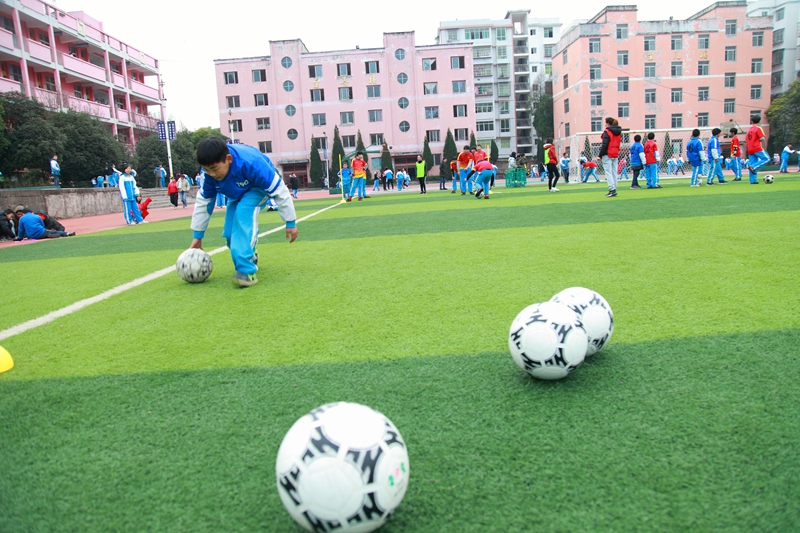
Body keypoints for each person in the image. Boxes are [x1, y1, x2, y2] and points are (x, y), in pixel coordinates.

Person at [189, 137, 297, 287]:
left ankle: (247, 272)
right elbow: (204, 203)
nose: (211, 174)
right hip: (236, 193)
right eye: (207, 170)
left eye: (214, 169)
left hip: (258, 188)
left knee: (243, 214)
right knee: (229, 233)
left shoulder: (251, 162)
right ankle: (251, 253)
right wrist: (198, 236)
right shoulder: (209, 175)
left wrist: (290, 221)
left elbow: (280, 190)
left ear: (228, 159)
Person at [598, 117, 622, 197]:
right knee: (614, 172)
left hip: (608, 153)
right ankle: (614, 187)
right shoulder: (618, 132)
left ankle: (612, 189)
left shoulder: (607, 131)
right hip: (615, 153)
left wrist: (600, 155)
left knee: (608, 172)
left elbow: (605, 144)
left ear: (608, 123)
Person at [746, 115, 770, 184]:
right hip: (757, 147)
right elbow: (762, 138)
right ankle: (753, 167)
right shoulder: (758, 128)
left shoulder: (749, 130)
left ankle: (753, 180)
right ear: (759, 121)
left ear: (752, 121)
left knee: (753, 162)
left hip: (750, 149)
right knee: (766, 159)